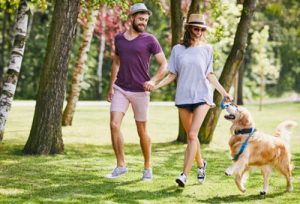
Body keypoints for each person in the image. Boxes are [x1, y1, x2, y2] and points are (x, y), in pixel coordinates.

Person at [150, 14, 230, 187]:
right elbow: (172, 74)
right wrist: (156, 85)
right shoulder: (177, 50)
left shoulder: (207, 49)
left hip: (202, 96)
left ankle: (184, 175)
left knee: (192, 135)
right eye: (196, 28)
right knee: (192, 137)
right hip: (184, 97)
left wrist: (223, 92)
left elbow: (209, 74)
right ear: (188, 29)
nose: (199, 32)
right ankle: (201, 165)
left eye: (202, 29)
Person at [106, 3, 167, 181]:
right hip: (121, 88)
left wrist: (153, 80)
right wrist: (111, 86)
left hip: (140, 91)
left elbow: (164, 64)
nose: (143, 23)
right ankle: (120, 165)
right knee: (114, 125)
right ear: (131, 18)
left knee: (142, 131)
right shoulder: (119, 39)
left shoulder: (150, 40)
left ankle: (147, 168)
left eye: (146, 20)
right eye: (140, 19)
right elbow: (116, 62)